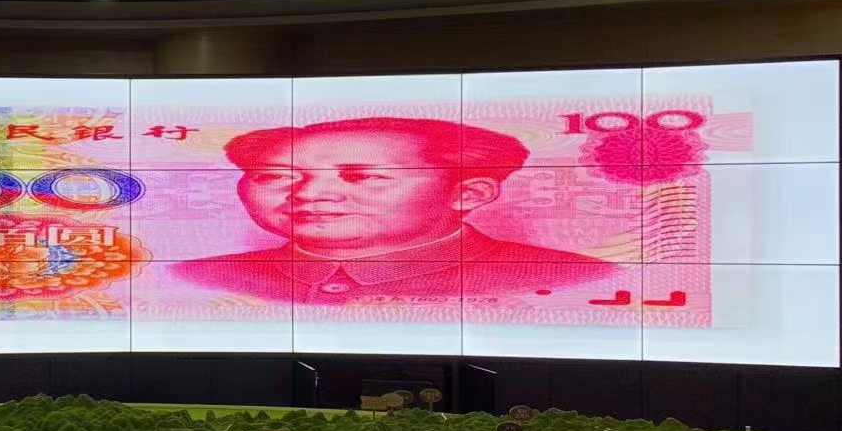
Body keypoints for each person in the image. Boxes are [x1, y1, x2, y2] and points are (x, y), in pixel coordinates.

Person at [174, 117, 617, 304]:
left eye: (361, 176)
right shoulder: (203, 277)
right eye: (277, 177)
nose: (309, 194)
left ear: (470, 193)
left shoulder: (567, 277)